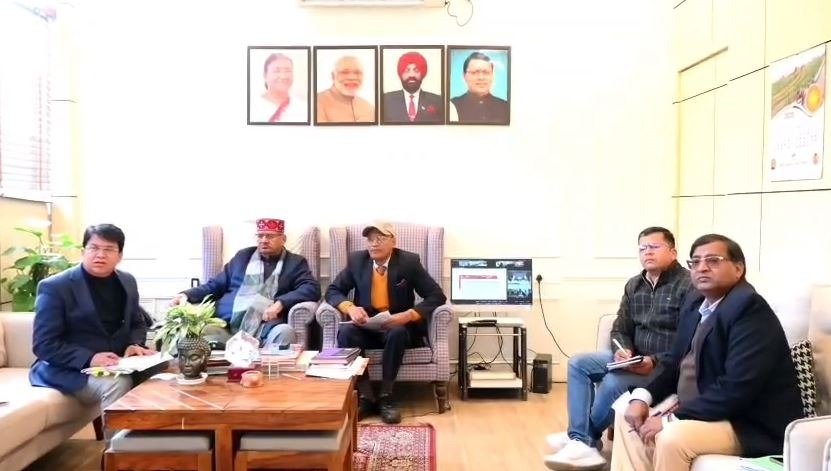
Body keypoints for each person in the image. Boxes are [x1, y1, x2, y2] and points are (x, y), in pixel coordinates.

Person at [612, 234, 803, 471]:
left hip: (746, 422)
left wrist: (672, 418)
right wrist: (642, 397)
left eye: (713, 260)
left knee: (673, 437)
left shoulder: (750, 308)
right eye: (695, 262)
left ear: (738, 269)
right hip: (700, 405)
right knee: (626, 410)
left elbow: (736, 388)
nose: (702, 267)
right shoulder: (695, 303)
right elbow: (673, 363)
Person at [544, 227, 694, 470]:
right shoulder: (634, 284)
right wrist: (623, 350)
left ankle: (581, 438)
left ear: (673, 252)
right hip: (634, 358)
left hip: (665, 366)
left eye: (654, 247)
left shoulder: (688, 285)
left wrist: (654, 361)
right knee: (579, 363)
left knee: (614, 382)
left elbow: (688, 340)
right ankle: (581, 439)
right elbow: (620, 328)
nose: (647, 252)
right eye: (642, 248)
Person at [29, 224, 154, 440]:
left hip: (118, 363)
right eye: (94, 248)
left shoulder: (127, 281)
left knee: (164, 372)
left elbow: (137, 322)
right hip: (69, 369)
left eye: (108, 249)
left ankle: (157, 444)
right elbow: (44, 344)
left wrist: (134, 345)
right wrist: (90, 358)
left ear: (120, 255)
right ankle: (117, 453)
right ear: (82, 251)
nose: (100, 255)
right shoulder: (55, 287)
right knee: (117, 384)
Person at [325, 221, 447, 424]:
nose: (374, 244)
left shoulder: (408, 262)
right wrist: (350, 308)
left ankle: (386, 396)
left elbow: (436, 295)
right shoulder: (357, 261)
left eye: (380, 239)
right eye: (370, 239)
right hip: (368, 327)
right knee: (346, 333)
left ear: (393, 241)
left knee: (397, 332)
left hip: (398, 328)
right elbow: (333, 291)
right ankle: (365, 396)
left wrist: (409, 315)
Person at [171, 218, 320, 348]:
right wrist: (185, 295)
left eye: (270, 236)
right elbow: (215, 285)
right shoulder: (243, 257)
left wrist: (280, 303)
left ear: (283, 239)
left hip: (265, 328)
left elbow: (312, 288)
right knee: (199, 331)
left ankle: (268, 372)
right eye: (260, 236)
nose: (264, 240)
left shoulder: (295, 263)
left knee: (285, 332)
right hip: (227, 326)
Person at [449, 51, 509, 124]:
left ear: (492, 75)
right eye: (475, 72)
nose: (481, 78)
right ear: (464, 76)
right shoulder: (452, 105)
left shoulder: (505, 107)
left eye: (486, 72)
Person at [382, 51, 443, 123]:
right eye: (406, 71)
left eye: (416, 70)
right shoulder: (386, 100)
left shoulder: (437, 101)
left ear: (422, 73)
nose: (411, 75)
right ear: (400, 74)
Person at [250, 53, 307, 123]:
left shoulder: (303, 108)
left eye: (287, 71)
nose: (283, 76)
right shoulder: (252, 106)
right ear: (265, 75)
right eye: (276, 71)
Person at [316, 55, 374, 123]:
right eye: (344, 72)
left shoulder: (368, 107)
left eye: (357, 72)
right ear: (333, 76)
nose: (352, 77)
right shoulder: (317, 102)